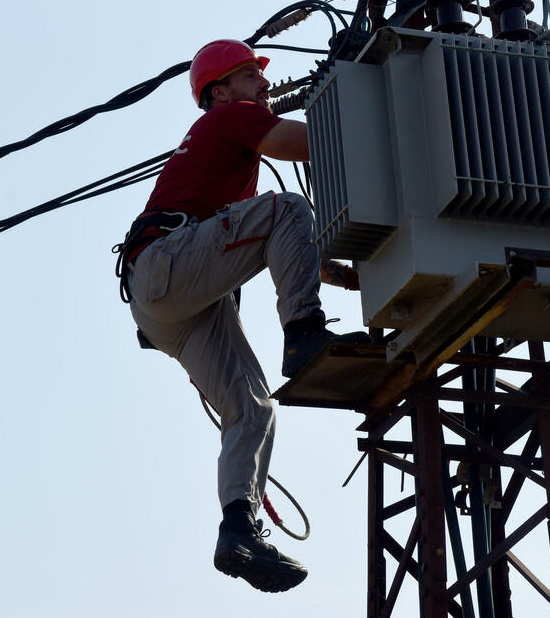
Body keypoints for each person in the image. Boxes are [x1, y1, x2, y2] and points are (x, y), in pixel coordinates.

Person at [114, 39, 368, 593]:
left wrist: (338, 273)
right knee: (291, 206)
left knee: (253, 409)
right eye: (253, 75)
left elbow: (263, 238)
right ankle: (303, 333)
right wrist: (370, 109)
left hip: (170, 300)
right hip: (169, 264)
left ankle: (238, 529)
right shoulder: (230, 119)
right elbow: (301, 149)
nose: (266, 85)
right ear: (221, 91)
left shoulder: (232, 156)